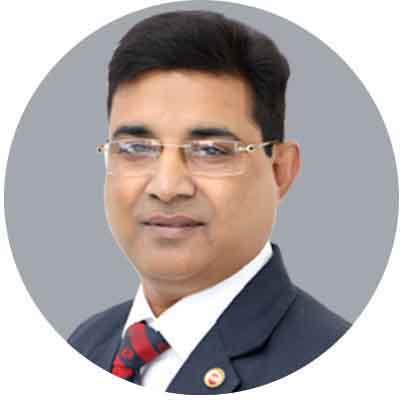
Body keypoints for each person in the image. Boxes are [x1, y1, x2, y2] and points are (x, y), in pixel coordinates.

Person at [68, 10, 350, 394]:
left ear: (280, 170)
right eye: (135, 148)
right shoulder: (86, 345)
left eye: (211, 150)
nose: (167, 187)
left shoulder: (336, 367)